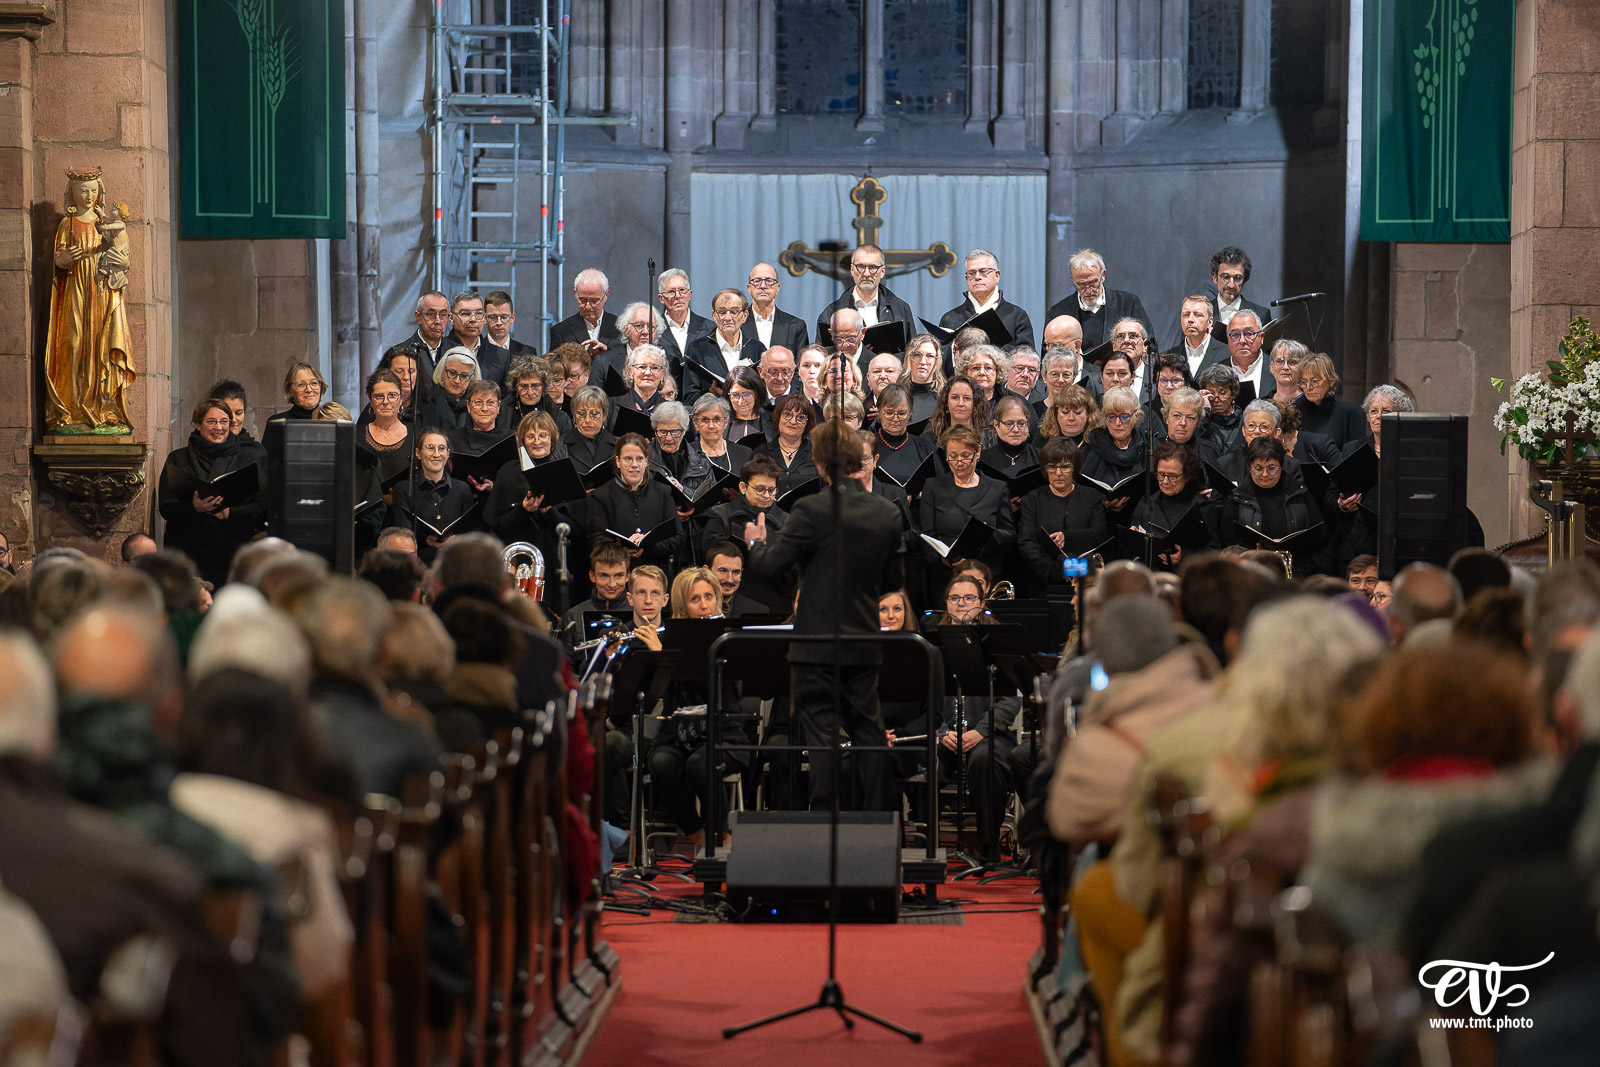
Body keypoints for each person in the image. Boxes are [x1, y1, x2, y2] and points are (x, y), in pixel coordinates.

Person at [744, 419, 906, 813]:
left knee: (822, 738)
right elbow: (893, 581)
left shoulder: (811, 508)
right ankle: (878, 821)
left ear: (819, 464)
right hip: (864, 643)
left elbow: (771, 566)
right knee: (868, 733)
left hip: (815, 646)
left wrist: (756, 544)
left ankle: (823, 818)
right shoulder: (887, 512)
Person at [157, 398, 270, 587]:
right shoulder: (178, 458)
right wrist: (194, 508)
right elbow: (166, 506)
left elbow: (262, 504)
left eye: (224, 421)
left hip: (233, 551)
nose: (219, 427)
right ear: (198, 424)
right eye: (211, 421)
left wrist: (229, 513)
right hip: (190, 552)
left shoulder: (248, 457)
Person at [919, 426, 1015, 588]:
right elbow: (926, 536)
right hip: (946, 577)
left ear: (977, 453)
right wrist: (943, 560)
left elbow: (1010, 536)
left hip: (986, 575)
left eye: (965, 456)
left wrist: (983, 537)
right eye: (953, 456)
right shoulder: (933, 487)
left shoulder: (997, 488)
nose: (959, 463)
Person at [1017, 438, 1111, 595]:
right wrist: (1058, 571)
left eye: (1065, 467)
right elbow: (1027, 543)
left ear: (1075, 468)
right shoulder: (1032, 499)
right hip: (1043, 583)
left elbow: (1099, 536)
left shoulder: (1092, 497)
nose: (1058, 473)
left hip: (1085, 581)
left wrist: (1067, 537)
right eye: (1052, 467)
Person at [583, 432, 683, 572]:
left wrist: (649, 546)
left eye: (639, 459)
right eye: (628, 459)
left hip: (657, 573)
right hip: (618, 574)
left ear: (647, 461)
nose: (634, 465)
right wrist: (621, 550)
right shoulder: (601, 496)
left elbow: (677, 536)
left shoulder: (663, 492)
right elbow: (596, 540)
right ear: (618, 461)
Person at [388, 428, 477, 565]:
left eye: (441, 448)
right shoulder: (403, 489)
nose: (436, 454)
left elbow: (470, 533)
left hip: (455, 562)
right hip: (419, 562)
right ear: (418, 453)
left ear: (448, 453)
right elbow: (403, 532)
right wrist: (425, 540)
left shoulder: (462, 489)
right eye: (430, 448)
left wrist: (455, 539)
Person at [1045, 248, 1154, 352]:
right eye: (1081, 285)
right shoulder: (1058, 313)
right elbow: (1048, 354)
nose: (1088, 290)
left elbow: (1149, 346)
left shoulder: (1128, 304)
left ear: (1103, 276)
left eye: (1092, 283)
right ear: (1073, 280)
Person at [1133, 441, 1218, 570]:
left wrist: (1184, 556)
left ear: (1187, 476)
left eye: (1172, 476)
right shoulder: (1147, 501)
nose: (1165, 481)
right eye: (1161, 475)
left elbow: (1215, 550)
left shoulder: (1202, 506)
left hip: (1187, 576)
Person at [815, 242, 917, 347]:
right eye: (861, 266)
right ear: (852, 270)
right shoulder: (832, 313)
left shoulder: (900, 309)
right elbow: (822, 358)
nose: (866, 274)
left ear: (882, 271)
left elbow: (912, 354)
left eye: (873, 267)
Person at [938, 248, 1036, 350]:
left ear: (997, 275)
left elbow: (1027, 358)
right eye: (971, 273)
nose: (977, 277)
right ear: (966, 279)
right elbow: (941, 359)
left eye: (983, 271)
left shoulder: (1017, 316)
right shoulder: (950, 318)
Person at [684, 288, 763, 405]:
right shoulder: (697, 349)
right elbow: (689, 398)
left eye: (734, 312)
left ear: (745, 315)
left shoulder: (757, 349)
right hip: (713, 419)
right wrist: (712, 397)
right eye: (722, 312)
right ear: (714, 316)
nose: (727, 318)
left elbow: (763, 394)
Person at [1078, 386, 1147, 516]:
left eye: (1124, 417)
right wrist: (1101, 500)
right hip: (1098, 517)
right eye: (1111, 417)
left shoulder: (1147, 446)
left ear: (1136, 416)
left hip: (1138, 516)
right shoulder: (1091, 444)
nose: (1118, 423)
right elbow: (1080, 490)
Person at [1294, 352, 1366, 450]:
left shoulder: (1348, 412)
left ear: (1331, 382)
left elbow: (1357, 452)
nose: (1308, 387)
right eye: (1304, 382)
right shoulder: (1295, 410)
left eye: (1315, 381)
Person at [870, 383, 937, 487]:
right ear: (879, 411)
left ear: (910, 413)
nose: (895, 419)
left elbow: (938, 486)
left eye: (901, 414)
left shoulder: (925, 449)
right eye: (889, 413)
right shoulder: (868, 447)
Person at [442, 290, 509, 388]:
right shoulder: (440, 350)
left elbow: (507, 398)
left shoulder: (502, 356)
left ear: (485, 318)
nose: (473, 319)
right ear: (451, 318)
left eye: (478, 313)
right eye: (465, 313)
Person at [654, 268, 713, 380]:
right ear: (661, 298)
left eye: (682, 290)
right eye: (671, 292)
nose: (678, 296)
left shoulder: (710, 328)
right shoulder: (653, 329)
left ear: (689, 295)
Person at [756, 393, 819, 497]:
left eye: (801, 417)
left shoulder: (818, 453)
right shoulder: (761, 453)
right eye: (787, 414)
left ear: (807, 423)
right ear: (778, 417)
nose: (793, 421)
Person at [549, 268, 623, 353]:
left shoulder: (621, 327)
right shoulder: (561, 331)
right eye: (583, 300)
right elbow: (554, 365)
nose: (588, 307)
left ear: (606, 294)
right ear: (575, 293)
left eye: (594, 301)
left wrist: (607, 351)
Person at [742, 262, 809, 351]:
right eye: (757, 281)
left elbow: (801, 362)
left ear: (777, 288)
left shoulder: (795, 326)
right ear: (749, 288)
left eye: (769, 281)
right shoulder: (737, 323)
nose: (763, 286)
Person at [688, 394, 752, 479]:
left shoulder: (744, 453)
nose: (711, 426)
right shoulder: (686, 453)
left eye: (716, 419)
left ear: (726, 422)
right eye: (705, 420)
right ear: (695, 423)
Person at [1167, 293, 1226, 380]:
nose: (1190, 319)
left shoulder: (1226, 354)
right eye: (1186, 315)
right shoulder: (1168, 357)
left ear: (1209, 322)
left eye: (1198, 315)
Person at [561, 385, 618, 472]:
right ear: (574, 415)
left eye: (594, 414)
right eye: (581, 413)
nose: (587, 420)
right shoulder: (561, 445)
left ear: (604, 415)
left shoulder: (618, 445)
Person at [707, 541, 769, 617]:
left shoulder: (758, 612)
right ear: (706, 571)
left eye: (736, 572)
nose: (729, 579)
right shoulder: (693, 607)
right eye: (723, 571)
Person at [1222, 309, 1270, 406]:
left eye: (1249, 334)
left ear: (1261, 337)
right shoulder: (1218, 371)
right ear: (1227, 339)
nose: (1242, 340)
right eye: (1235, 335)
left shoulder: (1277, 369)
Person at [982, 394, 1039, 476]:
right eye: (1009, 424)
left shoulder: (1041, 458)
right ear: (996, 425)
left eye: (1021, 423)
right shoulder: (983, 460)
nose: (1015, 430)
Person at [899, 332, 945, 424]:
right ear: (908, 358)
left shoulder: (945, 398)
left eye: (930, 356)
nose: (923, 362)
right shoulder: (895, 395)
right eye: (917, 355)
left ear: (937, 361)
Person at [481, 289, 537, 359]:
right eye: (493, 317)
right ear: (485, 318)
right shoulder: (476, 351)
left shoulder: (528, 353)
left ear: (512, 318)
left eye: (504, 317)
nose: (499, 323)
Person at [725, 365, 771, 443]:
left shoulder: (773, 420)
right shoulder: (721, 421)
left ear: (757, 394)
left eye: (746, 395)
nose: (740, 401)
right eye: (735, 395)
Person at [1264, 339, 1307, 406]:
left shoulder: (1312, 405)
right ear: (1271, 367)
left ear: (1303, 367)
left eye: (1292, 362)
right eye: (1279, 361)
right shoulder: (1260, 405)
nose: (1285, 367)